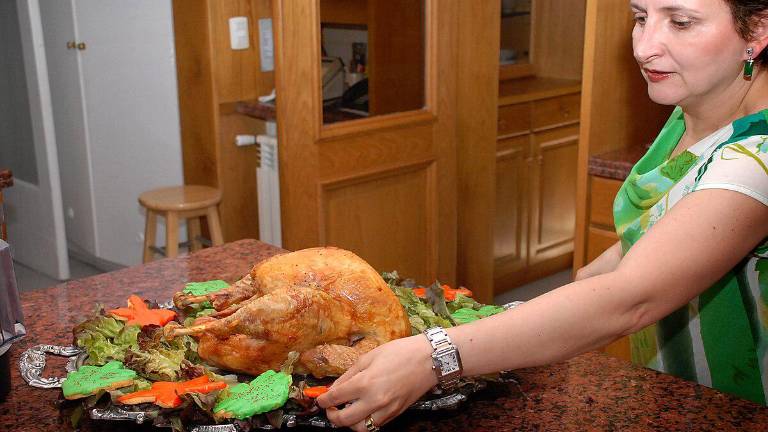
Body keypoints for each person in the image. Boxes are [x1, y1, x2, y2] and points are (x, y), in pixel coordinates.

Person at [316, 0, 768, 430]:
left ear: (758, 30)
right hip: (674, 390)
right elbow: (658, 233)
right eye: (640, 16)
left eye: (681, 22)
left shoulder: (756, 160)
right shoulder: (694, 109)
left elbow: (629, 299)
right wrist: (507, 322)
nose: (645, 45)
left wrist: (434, 356)